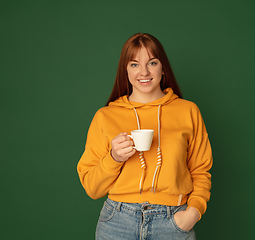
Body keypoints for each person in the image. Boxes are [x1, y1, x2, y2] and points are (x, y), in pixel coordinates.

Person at [77, 33, 213, 240]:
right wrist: (114, 158)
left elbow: (200, 171)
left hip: (173, 221)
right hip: (117, 222)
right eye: (134, 64)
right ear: (126, 70)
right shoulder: (105, 116)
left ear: (163, 67)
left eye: (152, 62)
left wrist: (193, 212)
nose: (144, 72)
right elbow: (92, 188)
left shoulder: (188, 111)